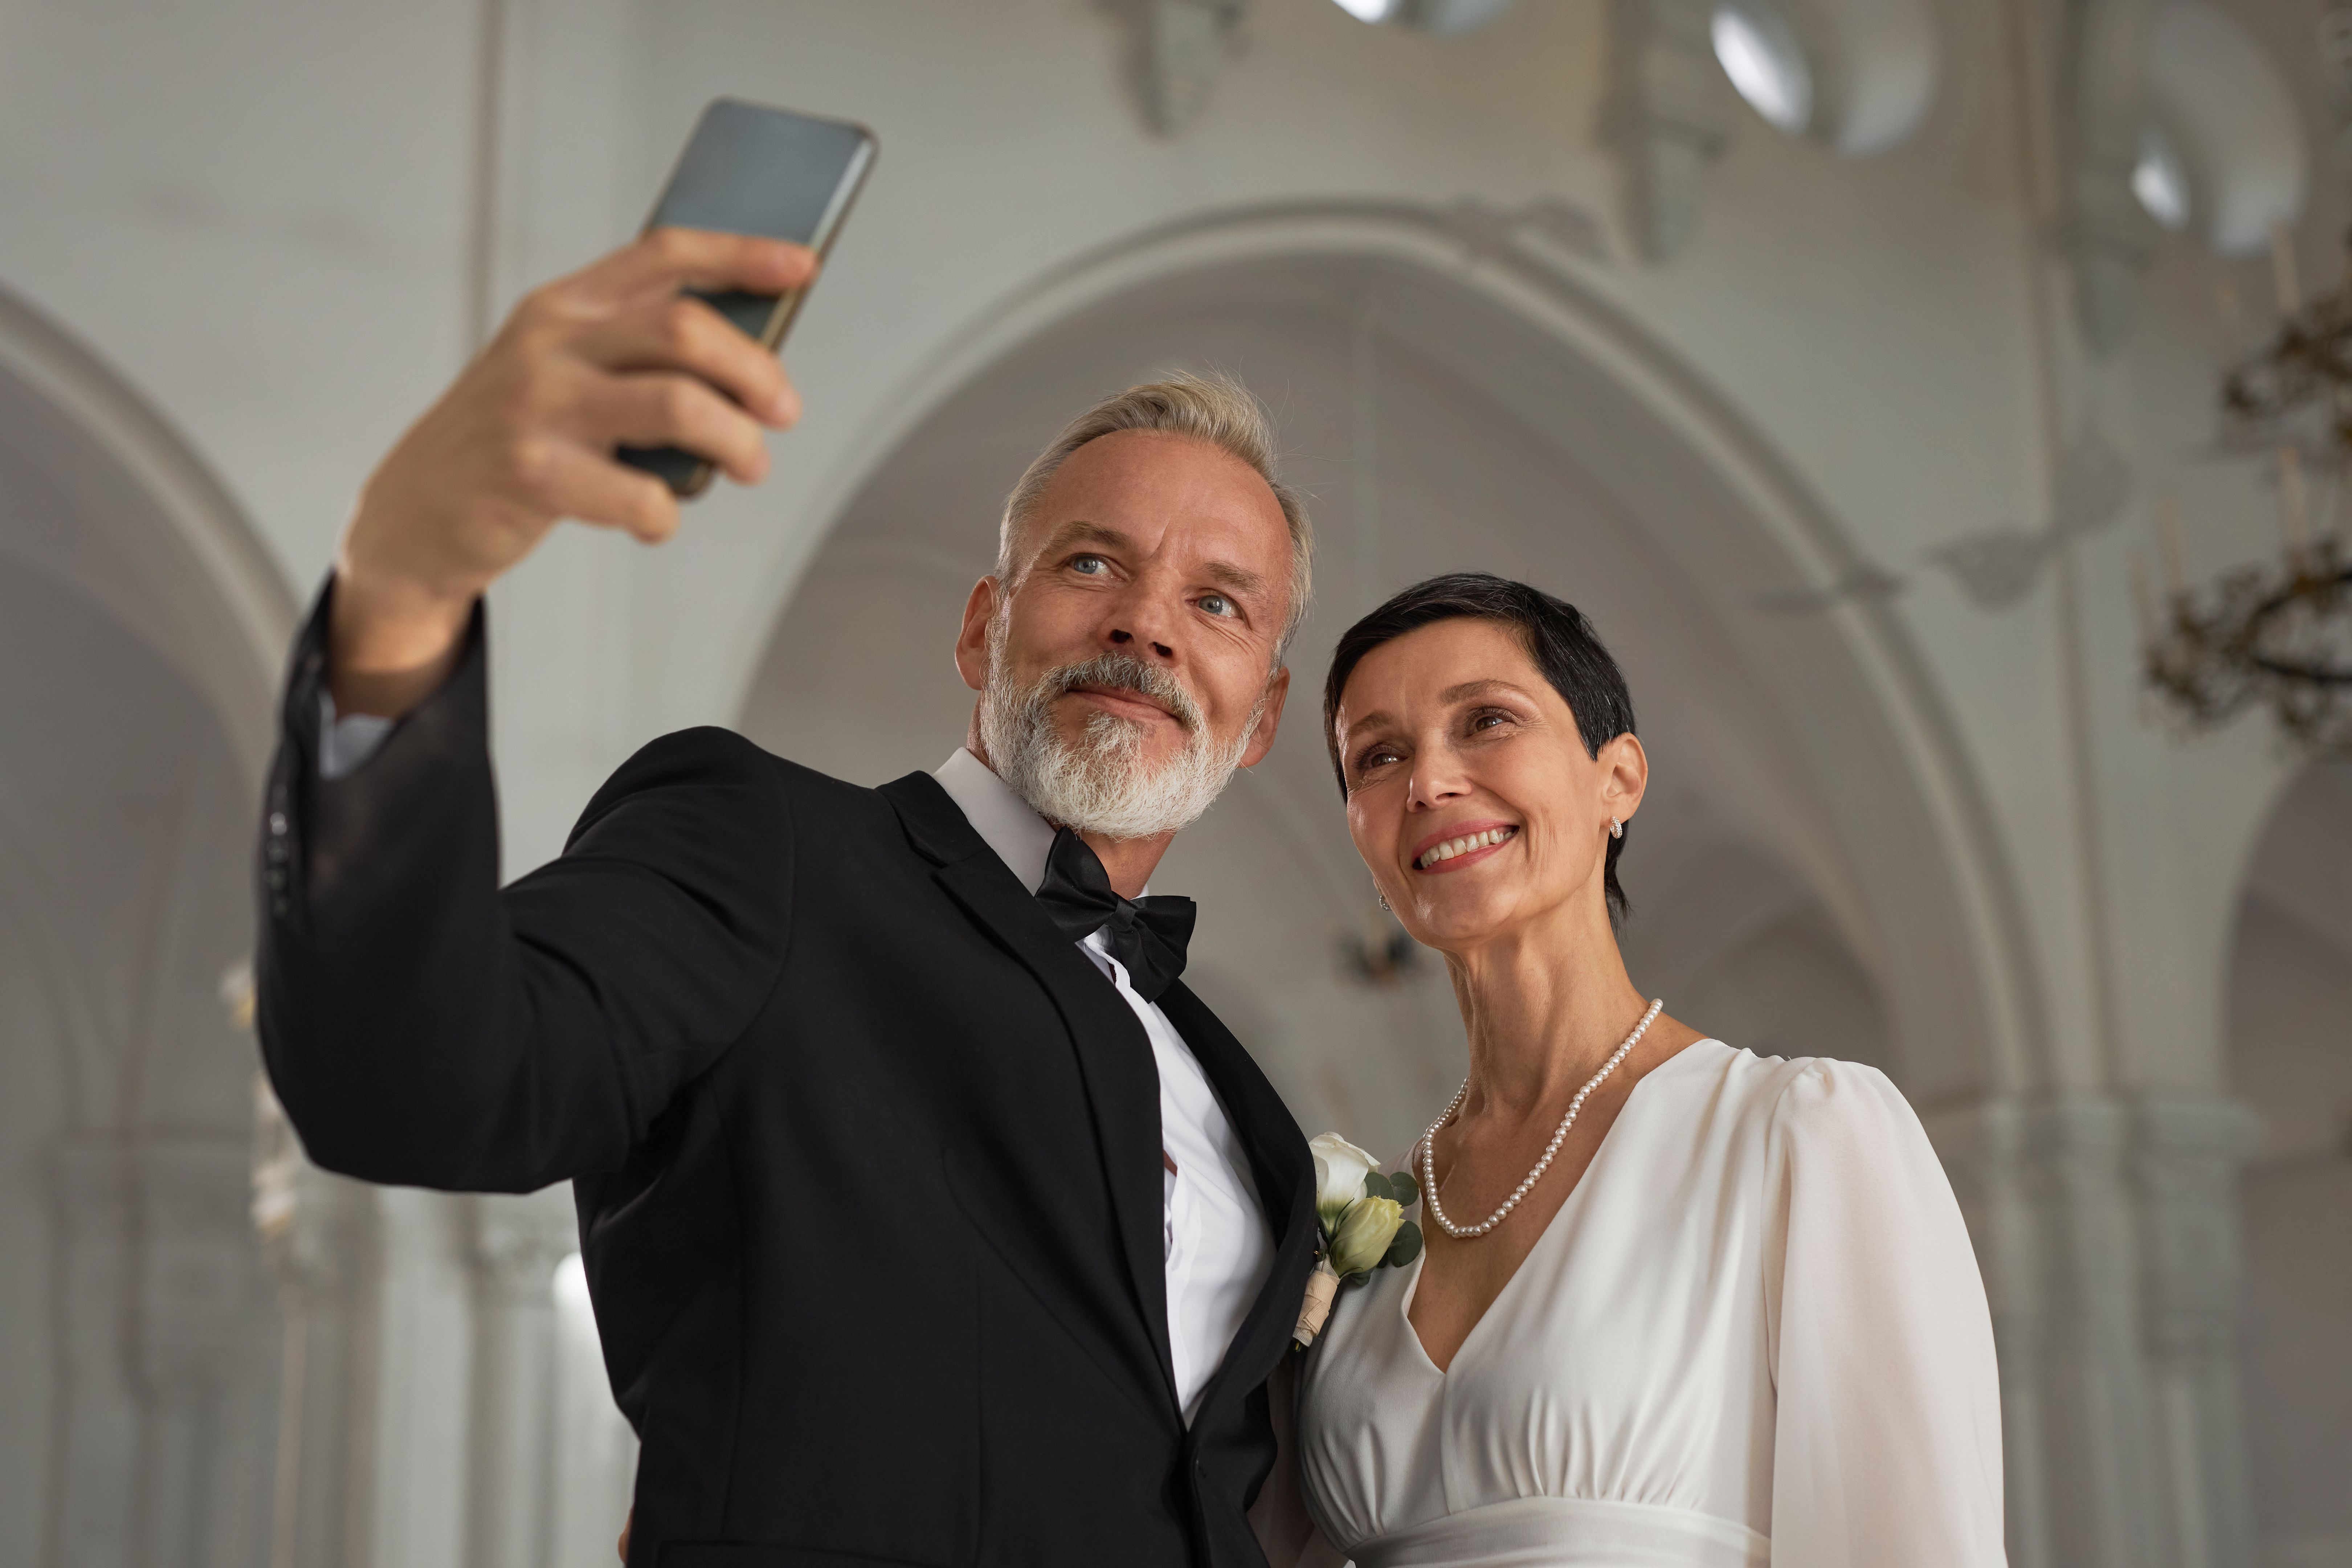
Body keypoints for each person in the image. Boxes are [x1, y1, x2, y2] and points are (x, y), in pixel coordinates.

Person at [253, 228, 1321, 1568]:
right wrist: (398, 594)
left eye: (1218, 604)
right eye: (1093, 566)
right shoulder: (764, 848)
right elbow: (410, 1075)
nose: (1148, 626)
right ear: (982, 627)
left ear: (1264, 714)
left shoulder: (1240, 1100)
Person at [1276, 574, 2006, 1568]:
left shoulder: (1798, 1137)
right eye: (1379, 756)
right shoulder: (1372, 1220)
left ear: (1618, 778)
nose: (1429, 782)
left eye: (1486, 721)